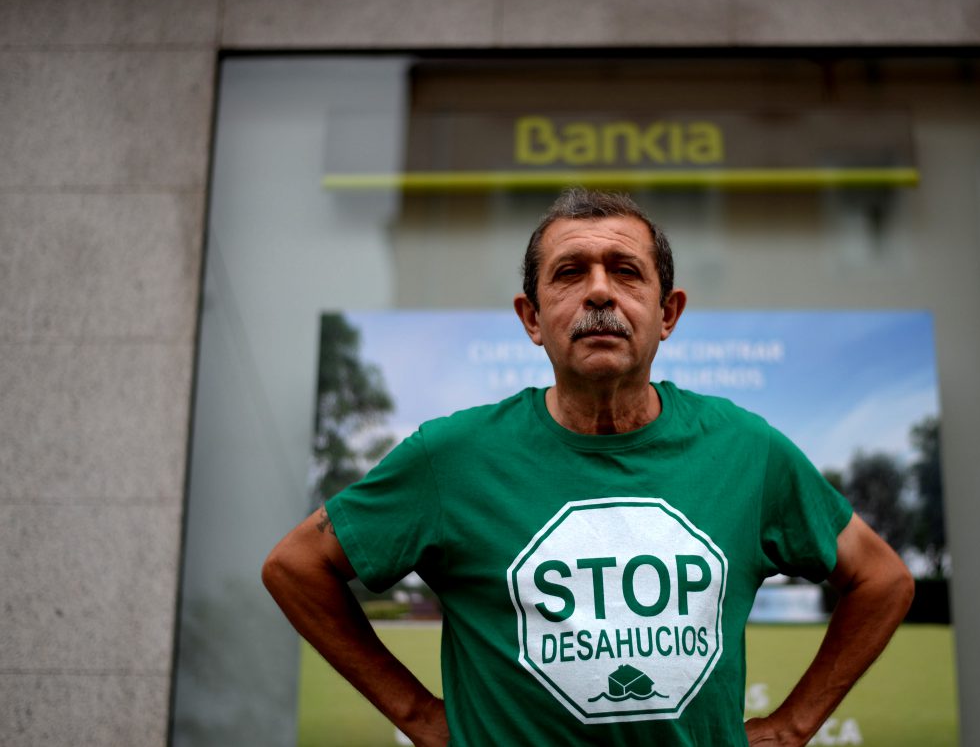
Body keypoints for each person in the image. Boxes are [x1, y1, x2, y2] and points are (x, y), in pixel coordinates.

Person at [262, 188, 914, 746]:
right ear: (532, 319)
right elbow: (297, 566)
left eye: (626, 271)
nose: (599, 289)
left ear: (668, 314)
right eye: (570, 272)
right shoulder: (451, 457)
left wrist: (793, 727)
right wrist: (415, 714)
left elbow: (881, 578)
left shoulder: (748, 450)